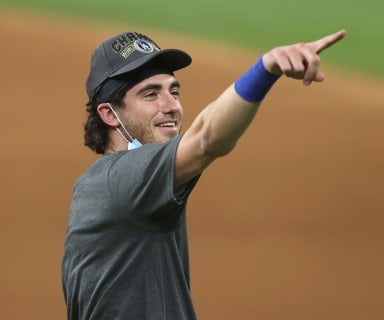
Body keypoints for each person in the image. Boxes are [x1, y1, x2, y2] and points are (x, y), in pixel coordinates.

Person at [62, 29, 346, 320]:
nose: (172, 106)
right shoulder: (123, 180)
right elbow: (206, 140)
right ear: (110, 114)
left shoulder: (107, 184)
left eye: (174, 92)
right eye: (151, 95)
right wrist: (266, 68)